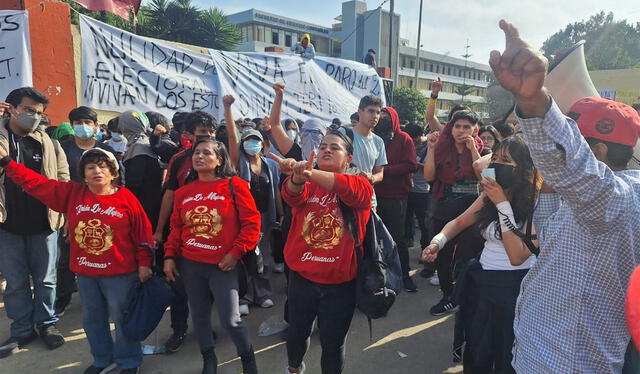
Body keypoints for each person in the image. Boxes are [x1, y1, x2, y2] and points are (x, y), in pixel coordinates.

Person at [490, 19, 640, 373]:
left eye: (576, 141)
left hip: (563, 364)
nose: (540, 159)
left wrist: (535, 101)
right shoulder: (585, 200)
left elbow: (571, 167)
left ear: (597, 154)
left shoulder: (618, 200)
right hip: (541, 355)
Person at [0, 146, 153, 374]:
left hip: (121, 274)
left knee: (123, 320)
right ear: (83, 174)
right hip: (86, 274)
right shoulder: (73, 194)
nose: (96, 171)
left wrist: (144, 263)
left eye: (102, 167)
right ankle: (103, 359)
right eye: (90, 167)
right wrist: (7, 163)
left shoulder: (126, 198)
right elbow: (36, 183)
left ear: (113, 172)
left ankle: (129, 361)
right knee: (93, 320)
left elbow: (143, 233)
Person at [423, 136, 542, 373]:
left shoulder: (536, 202)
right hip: (483, 283)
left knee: (506, 352)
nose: (496, 164)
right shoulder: (489, 194)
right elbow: (458, 222)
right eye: (495, 158)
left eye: (505, 160)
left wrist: (502, 205)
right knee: (478, 350)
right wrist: (438, 242)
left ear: (524, 168)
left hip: (514, 289)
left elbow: (516, 255)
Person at [272, 130, 373, 374]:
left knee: (333, 343)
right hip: (302, 278)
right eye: (323, 146)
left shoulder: (360, 184)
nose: (327, 149)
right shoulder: (307, 181)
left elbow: (344, 186)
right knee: (297, 333)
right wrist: (297, 177)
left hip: (341, 284)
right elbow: (292, 195)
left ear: (348, 159)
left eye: (335, 147)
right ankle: (294, 368)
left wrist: (306, 171)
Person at [163, 138, 260, 374]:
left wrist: (235, 253)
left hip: (223, 266)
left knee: (231, 320)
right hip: (191, 265)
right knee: (199, 316)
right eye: (196, 153)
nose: (199, 156)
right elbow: (176, 228)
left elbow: (252, 225)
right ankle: (209, 358)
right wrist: (169, 257)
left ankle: (248, 360)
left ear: (219, 160)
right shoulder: (183, 192)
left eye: (207, 153)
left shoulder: (234, 186)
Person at [0, 88, 69, 358]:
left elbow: (62, 179)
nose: (34, 117)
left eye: (39, 113)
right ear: (12, 108)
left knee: (46, 280)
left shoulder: (49, 143)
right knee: (16, 283)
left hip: (44, 224)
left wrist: (62, 215)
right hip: (7, 226)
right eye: (29, 110)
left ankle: (47, 325)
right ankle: (21, 330)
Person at [153, 109, 217, 353]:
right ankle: (179, 329)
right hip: (181, 234)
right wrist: (159, 230)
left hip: (211, 234)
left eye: (211, 132)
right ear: (189, 135)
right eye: (203, 133)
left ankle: (203, 327)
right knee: (179, 287)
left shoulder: (219, 158)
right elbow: (169, 195)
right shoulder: (179, 160)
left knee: (208, 287)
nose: (208, 137)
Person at [55, 106, 118, 316]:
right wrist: (65, 218)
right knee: (66, 260)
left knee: (102, 254)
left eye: (87, 122)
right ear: (72, 125)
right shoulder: (63, 148)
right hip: (73, 211)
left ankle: (104, 299)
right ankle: (62, 299)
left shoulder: (104, 149)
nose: (83, 126)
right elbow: (59, 183)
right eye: (78, 123)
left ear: (95, 125)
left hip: (103, 212)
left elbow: (119, 183)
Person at [423, 109, 484, 316]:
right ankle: (448, 296)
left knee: (469, 255)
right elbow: (429, 176)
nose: (461, 130)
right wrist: (430, 149)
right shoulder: (441, 147)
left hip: (471, 210)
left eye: (466, 127)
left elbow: (483, 177)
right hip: (444, 207)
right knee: (443, 255)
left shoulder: (480, 149)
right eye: (457, 126)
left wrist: (473, 149)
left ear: (475, 129)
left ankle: (466, 294)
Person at [224, 95, 281, 313]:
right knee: (245, 256)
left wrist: (281, 213)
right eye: (247, 140)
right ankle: (245, 297)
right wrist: (228, 107)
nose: (252, 143)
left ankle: (263, 293)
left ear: (263, 144)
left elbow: (275, 190)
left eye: (255, 139)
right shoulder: (238, 163)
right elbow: (231, 134)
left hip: (265, 216)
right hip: (243, 218)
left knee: (264, 256)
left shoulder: (269, 165)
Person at [373, 107, 418, 292]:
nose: (382, 120)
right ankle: (378, 277)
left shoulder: (403, 139)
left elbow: (411, 165)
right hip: (374, 195)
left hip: (396, 196)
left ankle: (404, 275)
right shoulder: (373, 138)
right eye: (380, 116)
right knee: (374, 239)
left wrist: (384, 172)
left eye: (386, 117)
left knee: (397, 238)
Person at [118, 111, 163, 233]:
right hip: (152, 203)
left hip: (142, 206)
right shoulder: (147, 141)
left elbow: (134, 182)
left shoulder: (138, 146)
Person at [339, 95, 387, 208]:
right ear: (360, 112)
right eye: (371, 111)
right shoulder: (343, 133)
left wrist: (372, 178)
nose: (375, 116)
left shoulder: (378, 141)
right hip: (342, 198)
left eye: (378, 112)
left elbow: (380, 173)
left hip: (368, 201)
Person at [403, 123, 435, 278]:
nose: (413, 141)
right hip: (407, 190)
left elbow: (433, 169)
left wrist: (416, 165)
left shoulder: (429, 148)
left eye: (414, 138)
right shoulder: (409, 146)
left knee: (424, 225)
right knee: (406, 220)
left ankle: (426, 254)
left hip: (423, 191)